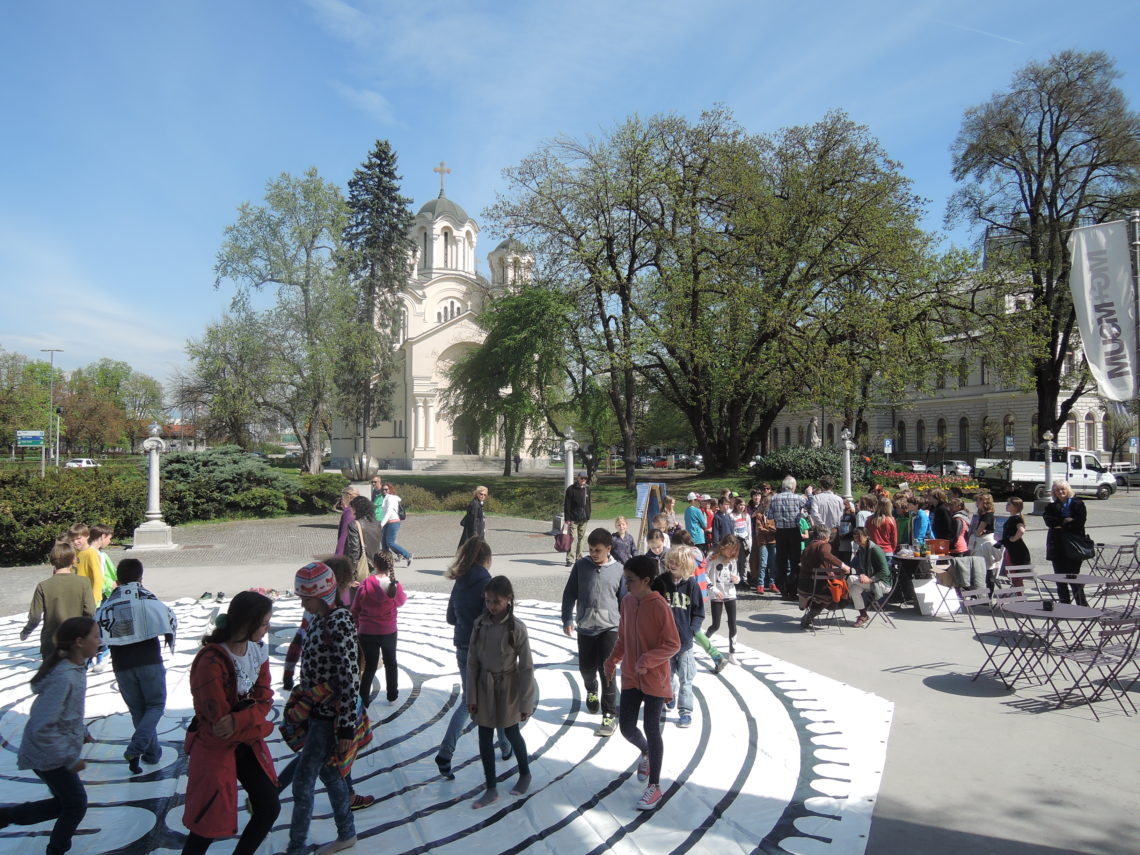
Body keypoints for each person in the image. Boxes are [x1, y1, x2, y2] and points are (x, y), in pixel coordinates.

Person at [182, 591, 279, 855]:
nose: (267, 628)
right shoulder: (210, 661)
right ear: (247, 623)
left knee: (269, 806)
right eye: (264, 623)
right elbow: (219, 724)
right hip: (215, 747)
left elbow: (265, 697)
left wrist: (242, 720)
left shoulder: (258, 650)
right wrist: (260, 723)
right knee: (207, 823)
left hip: (245, 741)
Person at [0, 616, 101, 854]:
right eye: (96, 636)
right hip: (48, 754)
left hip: (53, 751)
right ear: (79, 641)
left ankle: (6, 816)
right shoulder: (64, 676)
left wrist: (81, 731)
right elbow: (42, 724)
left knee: (65, 803)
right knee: (76, 804)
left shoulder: (75, 669)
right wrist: (70, 758)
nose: (100, 641)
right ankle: (55, 849)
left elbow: (68, 711)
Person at [286, 559, 361, 855]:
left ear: (322, 594)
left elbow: (350, 676)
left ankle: (296, 847)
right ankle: (347, 833)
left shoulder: (339, 621)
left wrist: (346, 729)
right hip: (316, 713)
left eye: (306, 597)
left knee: (302, 782)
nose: (302, 603)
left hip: (329, 718)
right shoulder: (319, 618)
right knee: (330, 775)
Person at [604, 555, 680, 813]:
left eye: (630, 580)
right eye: (625, 579)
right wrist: (612, 659)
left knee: (651, 727)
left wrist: (648, 659)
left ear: (646, 580)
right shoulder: (627, 602)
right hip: (631, 677)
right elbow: (623, 637)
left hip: (654, 678)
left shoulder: (659, 606)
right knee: (626, 727)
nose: (626, 584)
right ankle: (645, 752)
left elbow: (673, 644)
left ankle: (655, 785)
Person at [95, 558, 177, 775]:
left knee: (138, 711)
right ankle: (137, 747)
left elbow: (97, 632)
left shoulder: (108, 605)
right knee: (155, 705)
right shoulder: (148, 600)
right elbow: (168, 618)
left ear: (117, 578)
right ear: (141, 577)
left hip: (122, 666)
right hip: (149, 661)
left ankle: (152, 753)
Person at [436, 537, 508, 778]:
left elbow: (450, 617)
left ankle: (447, 752)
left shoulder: (460, 581)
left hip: (462, 647)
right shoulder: (487, 582)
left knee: (470, 700)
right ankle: (506, 746)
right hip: (483, 650)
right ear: (486, 559)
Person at [467, 575, 535, 808]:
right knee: (484, 735)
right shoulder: (479, 625)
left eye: (496, 601)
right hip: (484, 687)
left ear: (509, 599)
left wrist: (525, 702)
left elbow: (526, 667)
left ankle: (525, 773)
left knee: (512, 732)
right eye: (488, 601)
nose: (491, 606)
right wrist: (472, 696)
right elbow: (472, 662)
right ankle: (491, 787)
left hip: (508, 687)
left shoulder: (517, 628)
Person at [561, 528, 624, 737]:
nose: (594, 554)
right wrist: (567, 618)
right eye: (591, 550)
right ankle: (591, 689)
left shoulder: (619, 570)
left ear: (609, 548)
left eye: (598, 550)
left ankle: (609, 714)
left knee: (607, 672)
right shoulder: (581, 566)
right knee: (587, 669)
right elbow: (569, 594)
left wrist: (628, 626)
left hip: (610, 628)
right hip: (586, 627)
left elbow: (624, 601)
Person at [652, 546, 703, 728]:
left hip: (685, 643)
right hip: (664, 642)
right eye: (671, 561)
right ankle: (668, 696)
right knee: (665, 675)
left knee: (686, 678)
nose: (672, 564)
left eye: (677, 562)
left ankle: (685, 711)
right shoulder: (660, 582)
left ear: (685, 565)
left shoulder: (692, 585)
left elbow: (698, 613)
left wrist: (691, 630)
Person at [21, 542, 95, 660]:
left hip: (51, 642)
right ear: (74, 560)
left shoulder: (43, 586)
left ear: (52, 561)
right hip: (76, 641)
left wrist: (26, 631)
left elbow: (35, 617)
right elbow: (90, 611)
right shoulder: (84, 583)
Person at [351, 551, 407, 707]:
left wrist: (357, 624)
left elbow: (355, 608)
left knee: (369, 666)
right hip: (388, 631)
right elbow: (401, 601)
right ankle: (392, 696)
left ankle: (363, 700)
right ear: (391, 564)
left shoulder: (366, 584)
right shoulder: (394, 585)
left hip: (366, 632)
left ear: (374, 564)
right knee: (391, 663)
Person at [1043, 480, 1089, 606]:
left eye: (1063, 489)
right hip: (1057, 546)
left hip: (1074, 546)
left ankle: (1082, 605)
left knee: (1073, 577)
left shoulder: (1078, 504)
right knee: (1060, 579)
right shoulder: (1051, 506)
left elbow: (1079, 523)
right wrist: (1066, 520)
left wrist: (1060, 524)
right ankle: (1064, 605)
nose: (1060, 492)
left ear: (1068, 490)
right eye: (1057, 490)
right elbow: (1049, 522)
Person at [798, 523, 852, 630]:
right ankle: (811, 615)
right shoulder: (823, 545)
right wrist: (843, 565)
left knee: (830, 590)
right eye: (829, 537)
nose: (829, 539)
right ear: (825, 536)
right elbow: (825, 554)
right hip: (817, 588)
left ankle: (811, 613)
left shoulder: (808, 547)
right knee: (839, 593)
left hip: (803, 587)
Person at [768, 476, 807, 600]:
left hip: (781, 532)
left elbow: (769, 516)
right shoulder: (798, 498)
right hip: (794, 531)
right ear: (793, 487)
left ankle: (783, 591)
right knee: (795, 562)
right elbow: (809, 507)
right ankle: (793, 591)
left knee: (782, 562)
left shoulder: (774, 498)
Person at [847, 528, 892, 628]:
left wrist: (870, 579)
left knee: (851, 579)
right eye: (855, 537)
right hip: (869, 581)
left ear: (867, 536)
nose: (856, 539)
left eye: (859, 537)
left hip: (882, 583)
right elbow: (856, 565)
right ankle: (863, 615)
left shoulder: (875, 549)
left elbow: (885, 571)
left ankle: (843, 600)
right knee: (854, 589)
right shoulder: (861, 549)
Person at [706, 535, 740, 655]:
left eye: (733, 551)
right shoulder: (712, 556)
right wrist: (714, 589)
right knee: (716, 625)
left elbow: (736, 575)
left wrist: (736, 579)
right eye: (729, 550)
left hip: (730, 593)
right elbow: (704, 574)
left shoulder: (733, 559)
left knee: (732, 623)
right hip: (717, 594)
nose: (731, 553)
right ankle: (705, 638)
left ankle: (732, 652)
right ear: (723, 547)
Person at [345, 497, 383, 582]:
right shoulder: (377, 524)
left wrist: (350, 574)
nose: (351, 511)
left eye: (352, 508)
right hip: (375, 565)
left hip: (361, 567)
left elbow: (354, 551)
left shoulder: (354, 525)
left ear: (357, 509)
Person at [969, 491, 1001, 589]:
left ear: (985, 502)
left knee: (986, 569)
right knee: (981, 569)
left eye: (979, 501)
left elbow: (978, 532)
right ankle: (981, 591)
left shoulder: (987, 515)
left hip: (984, 544)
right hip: (981, 542)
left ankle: (989, 593)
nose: (976, 503)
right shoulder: (983, 514)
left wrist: (976, 532)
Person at [377, 482, 412, 567]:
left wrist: (381, 524)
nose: (384, 491)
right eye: (383, 489)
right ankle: (386, 561)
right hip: (388, 523)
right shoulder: (386, 498)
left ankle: (408, 555)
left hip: (393, 522)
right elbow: (385, 513)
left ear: (390, 489)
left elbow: (389, 512)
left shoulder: (391, 498)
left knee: (390, 542)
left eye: (386, 489)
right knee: (384, 543)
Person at [70, 524, 105, 606]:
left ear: (87, 536)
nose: (75, 542)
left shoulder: (91, 553)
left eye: (78, 538)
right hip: (76, 596)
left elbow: (98, 578)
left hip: (88, 598)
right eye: (73, 539)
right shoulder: (74, 551)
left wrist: (94, 599)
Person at [563, 472, 592, 566]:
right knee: (572, 538)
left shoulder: (587, 489)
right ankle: (569, 559)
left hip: (584, 518)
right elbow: (567, 505)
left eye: (585, 478)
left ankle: (579, 558)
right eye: (582, 478)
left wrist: (589, 514)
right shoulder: (571, 489)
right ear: (578, 478)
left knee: (582, 538)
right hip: (573, 518)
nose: (583, 480)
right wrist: (567, 519)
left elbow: (589, 503)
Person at [997, 496, 1031, 568]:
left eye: (1009, 504)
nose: (1006, 505)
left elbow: (1021, 530)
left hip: (1016, 550)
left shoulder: (1017, 518)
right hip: (1012, 549)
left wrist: (1013, 539)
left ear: (1015, 507)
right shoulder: (1013, 518)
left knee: (1017, 571)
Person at [89, 524, 118, 599]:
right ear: (103, 536)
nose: (110, 541)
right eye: (109, 538)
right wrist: (110, 584)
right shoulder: (97, 555)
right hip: (97, 595)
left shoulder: (85, 552)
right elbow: (97, 575)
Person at [334, 486, 360, 555]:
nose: (341, 500)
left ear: (348, 497)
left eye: (342, 497)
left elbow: (343, 538)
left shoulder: (349, 513)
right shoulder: (359, 509)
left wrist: (337, 557)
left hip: (350, 552)